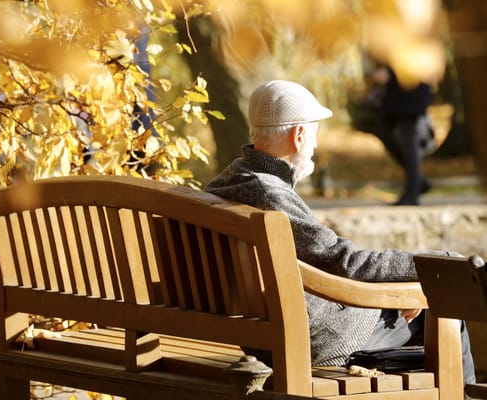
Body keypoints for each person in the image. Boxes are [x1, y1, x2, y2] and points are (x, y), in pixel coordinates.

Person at [204, 80, 476, 387]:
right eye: (315, 136)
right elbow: (345, 262)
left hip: (256, 331)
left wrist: (401, 285)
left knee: (414, 305)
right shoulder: (269, 195)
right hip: (312, 336)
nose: (316, 146)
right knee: (444, 305)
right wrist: (434, 266)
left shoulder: (227, 183)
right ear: (299, 135)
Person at [373, 66, 436, 205]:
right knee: (384, 131)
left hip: (411, 91)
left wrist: (391, 73)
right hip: (397, 93)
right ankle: (418, 181)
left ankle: (412, 194)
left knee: (409, 141)